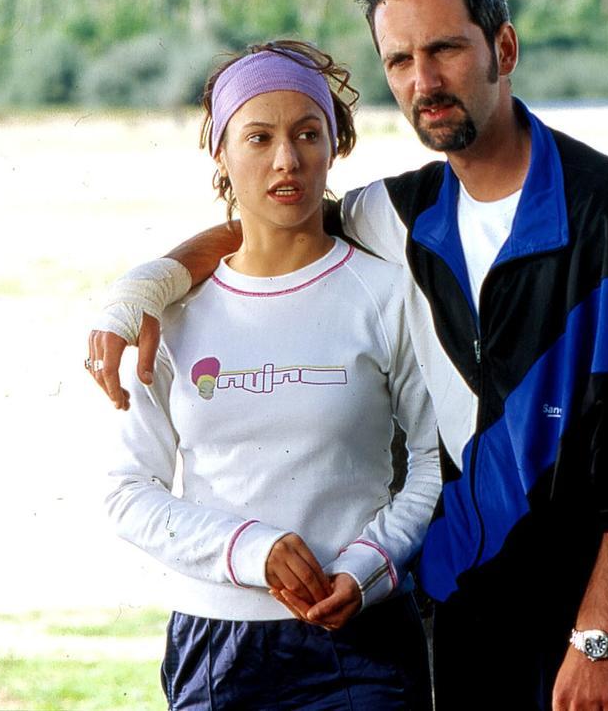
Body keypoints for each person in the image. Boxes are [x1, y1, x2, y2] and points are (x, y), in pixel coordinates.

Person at [88, 0, 608, 710]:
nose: (424, 82)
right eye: (400, 60)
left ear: (504, 48)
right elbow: (275, 226)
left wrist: (598, 636)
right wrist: (144, 289)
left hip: (585, 628)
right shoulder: (398, 216)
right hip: (466, 622)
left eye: (446, 49)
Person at [100, 41, 441, 709]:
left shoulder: (387, 292)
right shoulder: (169, 315)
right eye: (258, 137)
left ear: (334, 146)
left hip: (363, 640)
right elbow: (126, 492)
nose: (287, 160)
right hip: (218, 646)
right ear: (221, 155)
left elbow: (434, 461)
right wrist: (247, 548)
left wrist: (368, 566)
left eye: (308, 134)